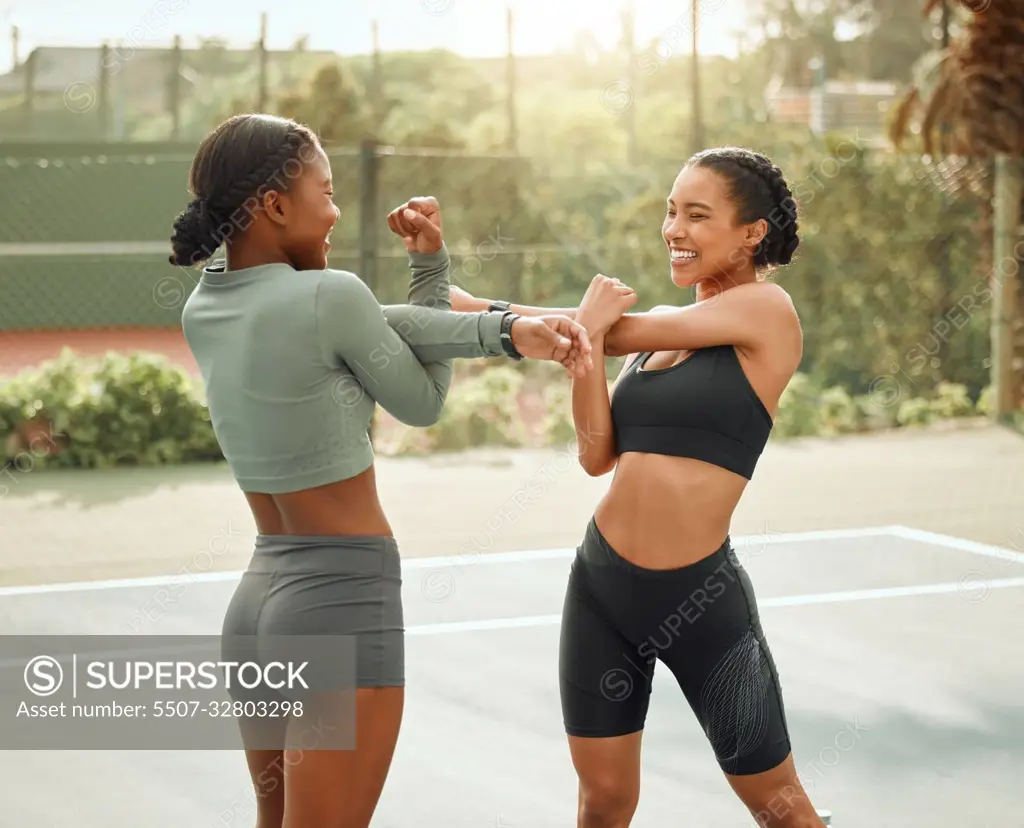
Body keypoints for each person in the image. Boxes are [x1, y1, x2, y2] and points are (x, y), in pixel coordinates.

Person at [169, 113, 592, 828]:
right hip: (340, 600)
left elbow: (375, 322)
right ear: (274, 205)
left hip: (257, 607)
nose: (335, 211)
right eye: (325, 191)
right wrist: (443, 280)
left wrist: (504, 329)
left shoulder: (204, 306)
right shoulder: (328, 298)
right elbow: (421, 398)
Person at [448, 147, 827, 828]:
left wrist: (484, 311)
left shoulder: (767, 313)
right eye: (670, 211)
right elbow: (598, 456)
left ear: (752, 232)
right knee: (603, 802)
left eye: (696, 214)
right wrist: (580, 354)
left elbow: (616, 329)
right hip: (603, 589)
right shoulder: (654, 335)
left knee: (781, 810)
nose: (673, 228)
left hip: (702, 600)